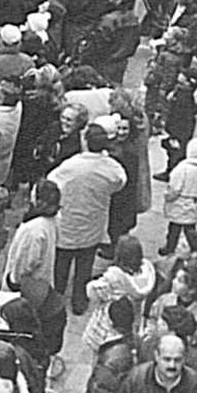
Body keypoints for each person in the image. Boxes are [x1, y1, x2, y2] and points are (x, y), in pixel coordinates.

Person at [47, 124, 127, 312]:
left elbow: (51, 182)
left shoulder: (70, 166)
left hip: (68, 222)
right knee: (85, 264)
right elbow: (120, 183)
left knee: (61, 264)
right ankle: (79, 300)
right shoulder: (112, 168)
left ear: (85, 142)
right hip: (94, 222)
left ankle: (57, 297)